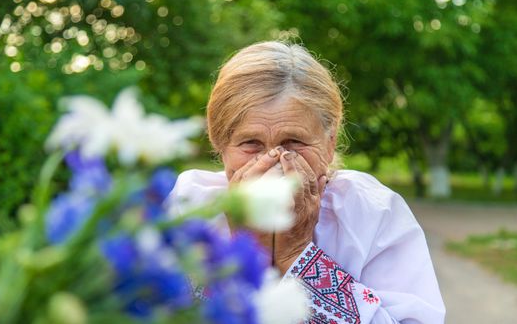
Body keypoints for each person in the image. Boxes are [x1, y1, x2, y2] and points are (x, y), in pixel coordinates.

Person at [168, 41, 446, 323]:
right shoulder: (189, 206)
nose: (275, 161)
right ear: (221, 146)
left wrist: (296, 253)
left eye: (294, 142)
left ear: (330, 142)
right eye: (251, 143)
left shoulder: (372, 211)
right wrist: (247, 251)